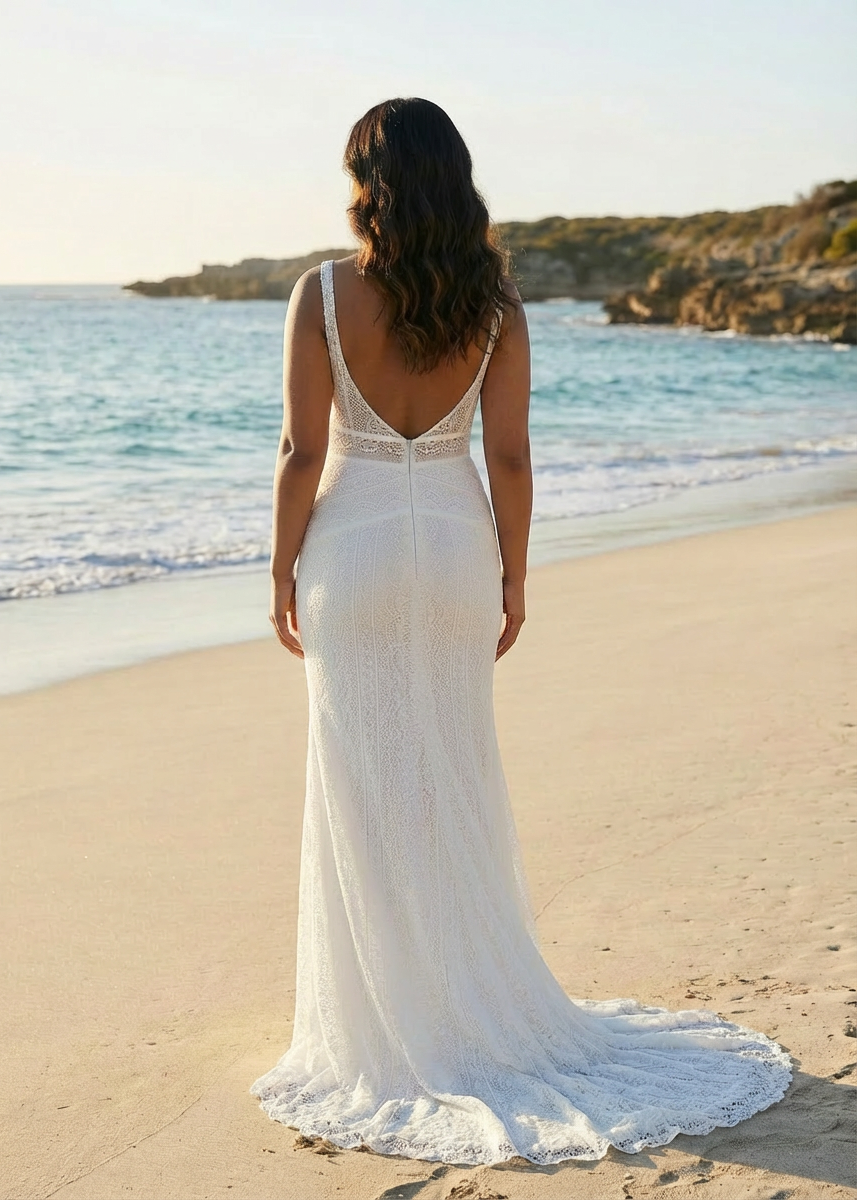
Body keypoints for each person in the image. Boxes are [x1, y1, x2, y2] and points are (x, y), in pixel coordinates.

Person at [250, 97, 790, 1166]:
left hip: (354, 555)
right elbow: (509, 458)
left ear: (368, 183)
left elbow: (300, 452)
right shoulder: (495, 304)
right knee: (451, 772)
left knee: (363, 781)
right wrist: (514, 573)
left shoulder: (322, 294)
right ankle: (468, 999)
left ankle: (385, 1016)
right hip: (456, 549)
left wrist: (279, 570)